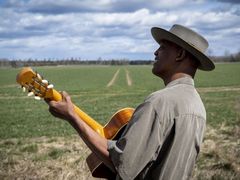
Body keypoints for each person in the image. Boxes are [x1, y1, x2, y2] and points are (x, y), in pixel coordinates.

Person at [46, 24, 215, 180]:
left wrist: (72, 117)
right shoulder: (197, 105)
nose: (156, 53)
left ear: (180, 54)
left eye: (162, 47)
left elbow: (122, 165)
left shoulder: (158, 102)